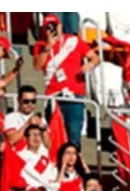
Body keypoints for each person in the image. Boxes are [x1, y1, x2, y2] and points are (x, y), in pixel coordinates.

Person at [33, 14, 99, 145]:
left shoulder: (74, 41)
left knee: (74, 137)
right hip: (53, 95)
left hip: (74, 94)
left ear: (60, 26)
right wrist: (48, 47)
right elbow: (37, 66)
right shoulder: (40, 45)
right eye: (48, 27)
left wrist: (89, 65)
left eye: (54, 26)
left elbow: (95, 58)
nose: (52, 29)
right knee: (53, 138)